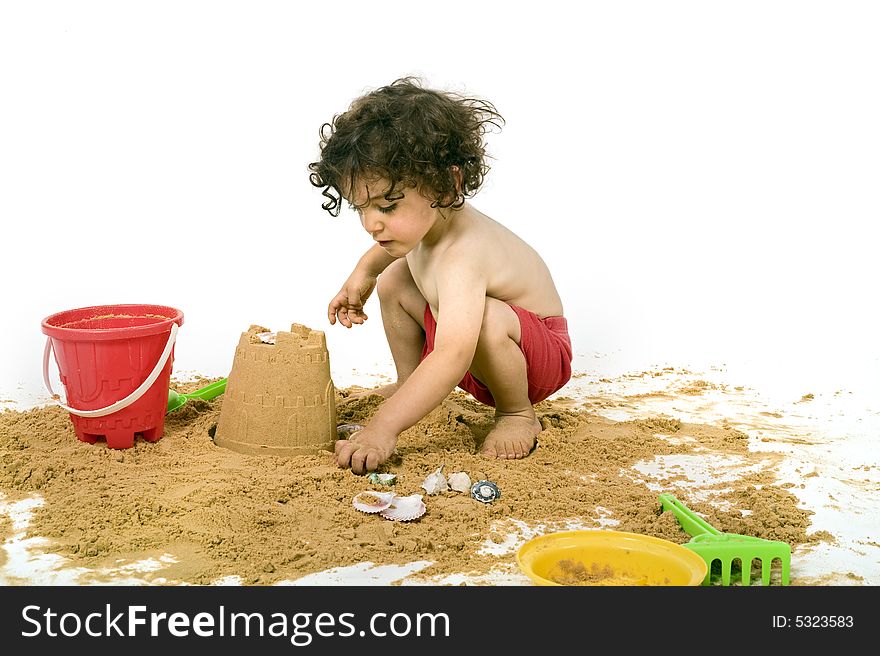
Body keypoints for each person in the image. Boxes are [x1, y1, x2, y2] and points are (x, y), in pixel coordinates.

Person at [309, 78, 572, 474]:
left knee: (485, 316)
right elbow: (386, 253)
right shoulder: (427, 225)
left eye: (387, 206)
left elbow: (452, 353)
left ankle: (517, 413)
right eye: (360, 207)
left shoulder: (464, 254)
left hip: (534, 359)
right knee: (396, 278)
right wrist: (362, 275)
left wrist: (383, 429)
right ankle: (409, 382)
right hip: (470, 352)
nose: (371, 223)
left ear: (448, 185)